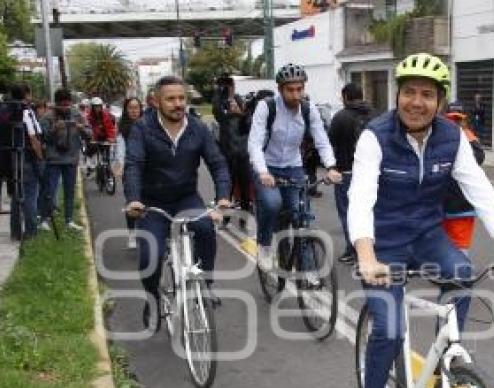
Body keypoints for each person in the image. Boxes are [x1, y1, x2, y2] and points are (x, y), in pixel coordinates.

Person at [347, 53, 494, 388]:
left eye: (427, 94)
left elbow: (479, 188)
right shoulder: (374, 136)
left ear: (440, 100)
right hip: (385, 243)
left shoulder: (452, 137)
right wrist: (366, 253)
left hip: (428, 235)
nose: (417, 101)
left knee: (461, 274)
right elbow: (359, 197)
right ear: (398, 95)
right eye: (409, 92)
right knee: (391, 327)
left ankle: (446, 360)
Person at [124, 76, 231, 329]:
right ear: (157, 101)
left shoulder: (198, 128)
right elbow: (133, 166)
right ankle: (152, 298)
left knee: (205, 229)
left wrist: (223, 197)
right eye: (170, 99)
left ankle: (205, 284)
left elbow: (217, 163)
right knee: (151, 257)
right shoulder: (142, 128)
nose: (177, 104)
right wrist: (134, 199)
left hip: (186, 198)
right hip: (152, 203)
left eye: (181, 98)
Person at [247, 63, 342, 271]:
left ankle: (308, 271)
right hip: (267, 166)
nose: (296, 94)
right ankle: (264, 245)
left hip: (293, 166)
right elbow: (254, 143)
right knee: (272, 204)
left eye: (299, 89)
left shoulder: (309, 109)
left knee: (302, 216)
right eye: (290, 90)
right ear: (280, 89)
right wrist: (262, 172)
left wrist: (331, 166)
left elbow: (322, 140)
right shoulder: (267, 107)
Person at [328, 82, 374, 264]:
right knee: (370, 211)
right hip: (371, 172)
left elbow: (329, 143)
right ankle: (370, 248)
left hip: (346, 172)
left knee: (348, 213)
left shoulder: (340, 117)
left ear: (346, 97)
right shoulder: (375, 115)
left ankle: (353, 250)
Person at [39, 88, 89, 231]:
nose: (65, 108)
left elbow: (89, 134)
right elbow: (42, 138)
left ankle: (69, 220)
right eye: (62, 105)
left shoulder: (77, 114)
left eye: (67, 104)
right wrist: (54, 129)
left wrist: (81, 129)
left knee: (69, 190)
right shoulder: (48, 117)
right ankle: (44, 218)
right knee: (49, 190)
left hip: (71, 159)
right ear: (56, 103)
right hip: (53, 159)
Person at [3, 83, 45, 240]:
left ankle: (15, 232)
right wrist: (40, 157)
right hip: (27, 159)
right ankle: (31, 232)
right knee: (30, 196)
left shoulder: (5, 110)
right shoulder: (27, 112)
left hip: (10, 159)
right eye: (30, 94)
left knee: (15, 196)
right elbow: (34, 138)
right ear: (26, 94)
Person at [442, 100, 485, 253]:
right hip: (440, 205)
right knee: (443, 244)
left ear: (464, 120)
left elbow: (478, 159)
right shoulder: (436, 137)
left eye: (458, 119)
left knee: (460, 247)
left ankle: (460, 272)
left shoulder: (469, 137)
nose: (454, 123)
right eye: (451, 119)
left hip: (461, 205)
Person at [213, 78, 252, 218]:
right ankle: (225, 216)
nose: (234, 105)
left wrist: (239, 111)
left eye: (231, 85)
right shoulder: (223, 118)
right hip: (227, 154)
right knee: (227, 186)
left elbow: (247, 118)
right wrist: (220, 90)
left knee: (245, 188)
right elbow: (216, 109)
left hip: (242, 155)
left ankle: (246, 214)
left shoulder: (242, 114)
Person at [113, 96, 143, 249]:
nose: (134, 111)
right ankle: (132, 235)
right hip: (130, 170)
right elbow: (120, 149)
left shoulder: (148, 125)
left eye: (136, 108)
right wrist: (120, 166)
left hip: (147, 170)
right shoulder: (123, 127)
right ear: (126, 110)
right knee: (132, 203)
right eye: (131, 108)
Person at [85, 97, 116, 177]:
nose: (97, 108)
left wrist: (111, 138)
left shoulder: (105, 115)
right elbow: (88, 128)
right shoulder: (89, 116)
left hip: (106, 138)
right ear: (92, 107)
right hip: (94, 139)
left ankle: (108, 174)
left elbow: (110, 128)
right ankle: (90, 168)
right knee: (91, 152)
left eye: (98, 106)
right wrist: (91, 137)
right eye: (95, 106)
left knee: (107, 157)